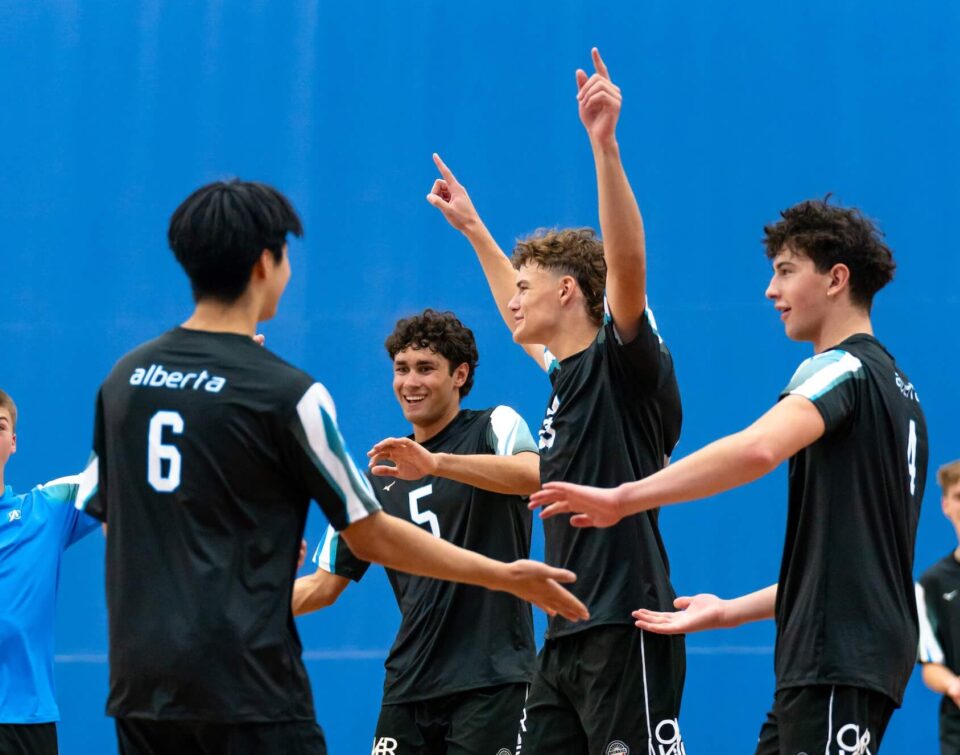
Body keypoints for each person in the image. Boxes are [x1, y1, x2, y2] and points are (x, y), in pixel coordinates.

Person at [75, 179, 588, 755]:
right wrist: (503, 573)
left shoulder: (125, 381)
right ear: (266, 264)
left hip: (145, 680)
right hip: (251, 684)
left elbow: (110, 513)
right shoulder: (286, 393)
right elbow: (367, 534)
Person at [531, 198, 928, 753]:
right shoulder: (899, 390)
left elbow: (758, 448)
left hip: (840, 653)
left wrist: (623, 497)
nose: (771, 290)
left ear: (837, 279)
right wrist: (728, 611)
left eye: (786, 271)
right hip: (826, 652)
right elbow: (842, 565)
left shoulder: (845, 369)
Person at [428, 48, 686, 754]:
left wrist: (604, 146)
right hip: (566, 632)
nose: (512, 299)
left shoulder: (621, 359)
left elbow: (624, 265)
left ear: (568, 290)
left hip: (625, 624)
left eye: (526, 287)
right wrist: (477, 230)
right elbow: (522, 330)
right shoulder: (564, 375)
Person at [294, 309, 540, 754]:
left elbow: (534, 474)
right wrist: (239, 608)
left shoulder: (494, 426)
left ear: (459, 375)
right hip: (409, 684)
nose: (410, 382)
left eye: (426, 369)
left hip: (492, 679)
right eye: (401, 369)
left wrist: (436, 463)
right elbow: (323, 587)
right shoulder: (375, 475)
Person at [0, 383, 99, 755]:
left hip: (27, 723)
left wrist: (204, 379)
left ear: (13, 442)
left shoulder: (47, 511)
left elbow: (117, 462)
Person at [918, 460, 960, 754]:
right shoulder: (932, 583)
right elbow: (931, 663)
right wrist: (953, 685)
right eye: (959, 496)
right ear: (946, 506)